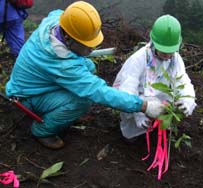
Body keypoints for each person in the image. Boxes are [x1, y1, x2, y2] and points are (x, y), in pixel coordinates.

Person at [5, 1, 165, 150]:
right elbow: (98, 91)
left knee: (88, 65)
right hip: (26, 97)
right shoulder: (63, 65)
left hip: (36, 82)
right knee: (83, 100)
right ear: (68, 39)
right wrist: (143, 106)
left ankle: (60, 111)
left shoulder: (55, 22)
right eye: (88, 45)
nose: (92, 48)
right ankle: (42, 130)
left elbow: (58, 12)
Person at [113, 15, 197, 140]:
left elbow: (182, 80)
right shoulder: (139, 59)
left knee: (171, 99)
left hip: (158, 97)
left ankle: (160, 124)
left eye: (171, 51)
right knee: (133, 125)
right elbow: (127, 91)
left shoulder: (175, 59)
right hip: (139, 97)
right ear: (154, 43)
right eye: (164, 51)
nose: (168, 55)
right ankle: (135, 132)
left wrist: (187, 99)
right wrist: (138, 112)